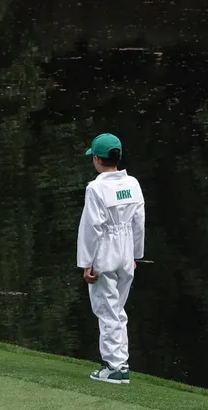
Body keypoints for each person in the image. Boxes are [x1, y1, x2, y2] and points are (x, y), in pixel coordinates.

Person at [77, 133, 146, 385]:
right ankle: (121, 362)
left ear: (97, 159)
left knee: (106, 310)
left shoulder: (96, 188)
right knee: (117, 309)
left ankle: (114, 367)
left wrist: (86, 263)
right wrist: (136, 254)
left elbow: (91, 227)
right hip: (126, 251)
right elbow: (139, 222)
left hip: (105, 252)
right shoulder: (133, 184)